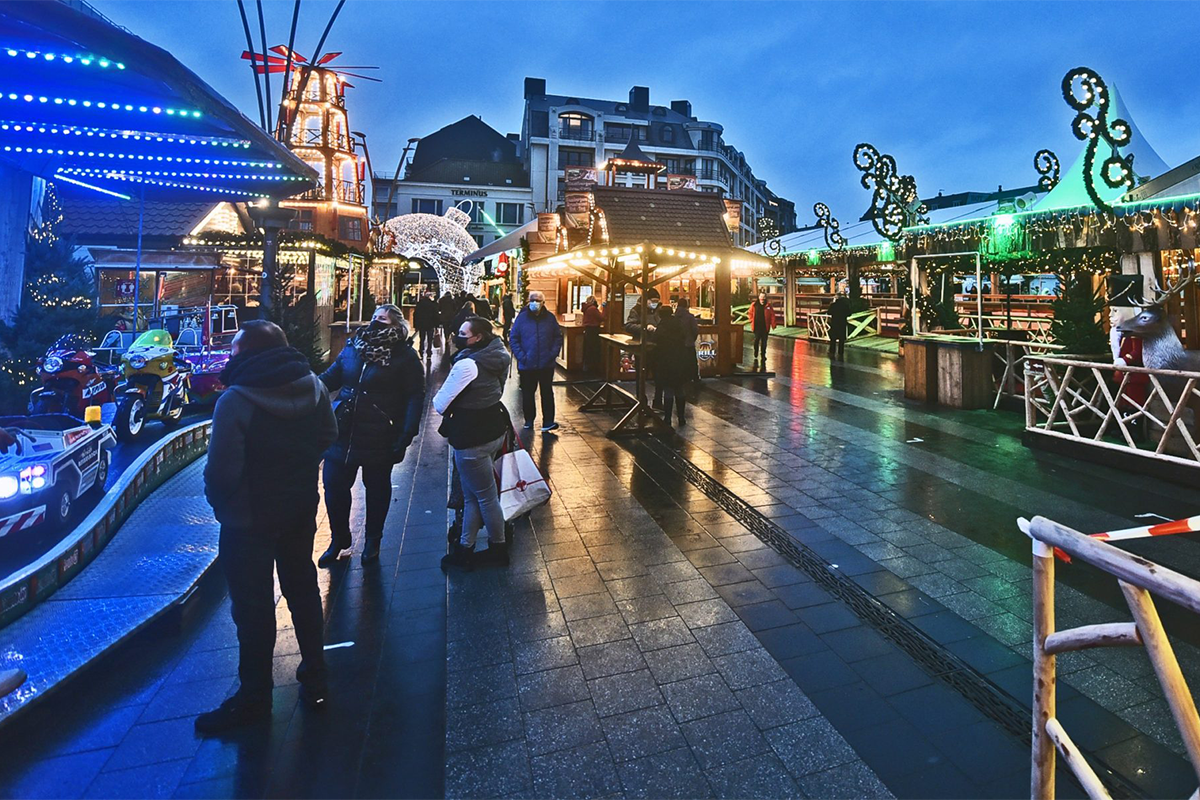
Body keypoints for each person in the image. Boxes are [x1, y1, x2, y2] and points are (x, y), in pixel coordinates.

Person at [196, 320, 338, 735]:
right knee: (302, 588)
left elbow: (222, 471)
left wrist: (222, 504)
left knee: (253, 608)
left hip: (248, 519)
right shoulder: (312, 385)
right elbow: (328, 434)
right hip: (297, 508)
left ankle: (254, 697)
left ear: (247, 354)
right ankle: (315, 677)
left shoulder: (236, 400)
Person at [318, 304, 424, 566]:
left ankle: (373, 540)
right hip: (343, 429)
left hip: (381, 432)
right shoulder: (354, 347)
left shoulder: (405, 356)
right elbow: (329, 379)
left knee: (376, 488)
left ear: (397, 325)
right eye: (375, 317)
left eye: (383, 319)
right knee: (334, 485)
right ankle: (339, 538)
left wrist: (407, 432)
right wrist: (300, 385)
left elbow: (414, 396)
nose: (377, 323)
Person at [436, 316, 512, 568]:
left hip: (471, 436)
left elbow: (439, 404)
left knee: (485, 497)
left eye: (462, 334)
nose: (458, 337)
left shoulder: (467, 364)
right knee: (474, 495)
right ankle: (465, 547)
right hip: (494, 428)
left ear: (477, 337)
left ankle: (498, 548)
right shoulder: (496, 354)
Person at [509, 290, 563, 432]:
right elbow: (514, 339)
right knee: (528, 393)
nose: (535, 303)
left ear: (543, 302)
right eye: (532, 300)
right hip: (527, 364)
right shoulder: (522, 318)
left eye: (538, 300)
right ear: (528, 301)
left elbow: (557, 337)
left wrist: (552, 354)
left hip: (546, 363)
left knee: (547, 393)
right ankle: (529, 420)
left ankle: (548, 421)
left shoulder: (550, 318)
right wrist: (522, 357)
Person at [625, 287, 666, 407]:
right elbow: (628, 325)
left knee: (660, 376)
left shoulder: (660, 310)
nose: (655, 303)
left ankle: (658, 401)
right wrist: (644, 328)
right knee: (641, 377)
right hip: (642, 348)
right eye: (653, 300)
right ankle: (641, 401)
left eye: (657, 301)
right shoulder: (636, 310)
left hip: (658, 348)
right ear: (646, 300)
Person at [652, 305, 690, 427]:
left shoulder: (662, 327)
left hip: (666, 361)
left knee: (668, 389)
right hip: (680, 360)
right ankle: (681, 418)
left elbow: (655, 340)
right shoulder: (679, 324)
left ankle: (668, 418)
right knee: (679, 388)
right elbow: (686, 336)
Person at [676, 298, 700, 389]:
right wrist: (692, 339)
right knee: (692, 362)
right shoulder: (690, 317)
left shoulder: (675, 316)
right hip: (689, 343)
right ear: (686, 305)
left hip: (678, 344)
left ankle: (682, 378)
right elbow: (695, 330)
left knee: (680, 362)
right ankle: (695, 378)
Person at [750, 292, 776, 369]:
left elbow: (772, 315)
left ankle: (763, 355)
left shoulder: (768, 306)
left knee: (764, 342)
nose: (762, 299)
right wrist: (751, 321)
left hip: (765, 327)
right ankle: (756, 351)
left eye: (764, 298)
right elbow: (750, 313)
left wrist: (773, 324)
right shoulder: (754, 305)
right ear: (759, 298)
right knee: (756, 340)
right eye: (761, 297)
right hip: (757, 326)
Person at [413, 290, 440, 360]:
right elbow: (435, 315)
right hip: (430, 324)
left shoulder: (420, 304)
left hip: (422, 323)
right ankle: (429, 352)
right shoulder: (432, 304)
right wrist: (436, 326)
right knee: (429, 339)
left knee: (422, 338)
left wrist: (415, 325)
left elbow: (415, 314)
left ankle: (421, 351)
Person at [581, 295, 605, 374]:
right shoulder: (593, 309)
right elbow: (602, 318)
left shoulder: (587, 308)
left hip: (588, 330)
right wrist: (605, 309)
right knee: (594, 349)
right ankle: (594, 368)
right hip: (594, 330)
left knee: (588, 349)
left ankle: (587, 367)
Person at [827, 293, 850, 360]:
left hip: (835, 323)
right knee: (841, 339)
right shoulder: (845, 305)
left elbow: (829, 312)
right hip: (842, 323)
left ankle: (832, 351)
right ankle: (841, 352)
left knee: (833, 339)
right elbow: (849, 313)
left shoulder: (833, 305)